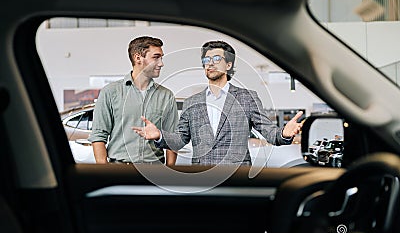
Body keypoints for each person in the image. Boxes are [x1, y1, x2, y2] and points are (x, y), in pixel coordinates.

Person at [132, 40, 302, 165]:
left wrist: (284, 134)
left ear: (228, 65)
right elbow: (180, 139)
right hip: (201, 176)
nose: (210, 64)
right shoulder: (192, 102)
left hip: (237, 175)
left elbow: (269, 132)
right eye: (206, 60)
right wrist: (160, 135)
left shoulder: (247, 98)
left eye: (216, 59)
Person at [88, 36, 178, 165]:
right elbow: (98, 135)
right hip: (120, 169)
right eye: (156, 57)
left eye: (161, 58)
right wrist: (104, 171)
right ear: (138, 58)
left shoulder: (166, 95)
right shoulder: (110, 92)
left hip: (156, 171)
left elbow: (172, 139)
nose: (161, 63)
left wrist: (169, 173)